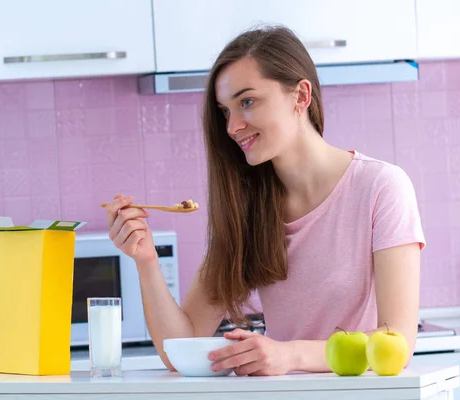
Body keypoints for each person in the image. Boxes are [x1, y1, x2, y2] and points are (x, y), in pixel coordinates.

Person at [105, 25, 425, 376]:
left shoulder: (381, 187)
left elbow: (398, 342)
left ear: (301, 96)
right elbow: (180, 345)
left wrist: (289, 355)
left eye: (247, 102)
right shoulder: (247, 206)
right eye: (226, 111)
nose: (231, 127)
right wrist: (146, 260)